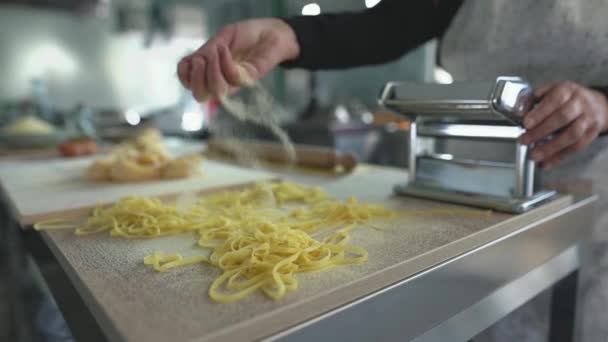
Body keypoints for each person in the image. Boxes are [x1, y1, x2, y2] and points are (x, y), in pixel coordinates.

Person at [178, 1, 608, 340]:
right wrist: (287, 35)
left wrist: (602, 104)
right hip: (473, 189)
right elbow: (383, 28)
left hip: (598, 184)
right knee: (483, 317)